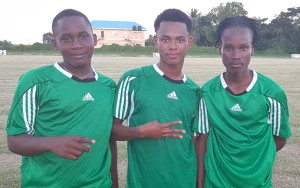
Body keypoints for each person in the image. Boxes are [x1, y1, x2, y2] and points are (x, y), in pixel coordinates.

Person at [6, 9, 116, 187]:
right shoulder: (35, 81)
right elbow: (15, 141)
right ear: (54, 43)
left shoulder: (108, 86)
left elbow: (108, 141)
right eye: (66, 38)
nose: (76, 45)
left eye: (83, 36)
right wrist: (51, 143)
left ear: (94, 39)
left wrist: (114, 183)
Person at [195, 16, 292, 188]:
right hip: (216, 183)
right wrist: (200, 183)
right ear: (220, 49)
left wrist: (252, 157)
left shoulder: (272, 94)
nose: (236, 55)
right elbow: (203, 139)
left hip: (257, 183)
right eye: (229, 48)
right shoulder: (207, 93)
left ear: (252, 49)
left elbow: (279, 139)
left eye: (244, 47)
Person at [111, 8, 199, 188]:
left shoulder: (195, 91)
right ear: (155, 41)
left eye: (180, 40)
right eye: (165, 39)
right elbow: (110, 131)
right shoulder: (133, 80)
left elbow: (196, 142)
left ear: (189, 42)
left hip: (185, 181)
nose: (173, 46)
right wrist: (141, 132)